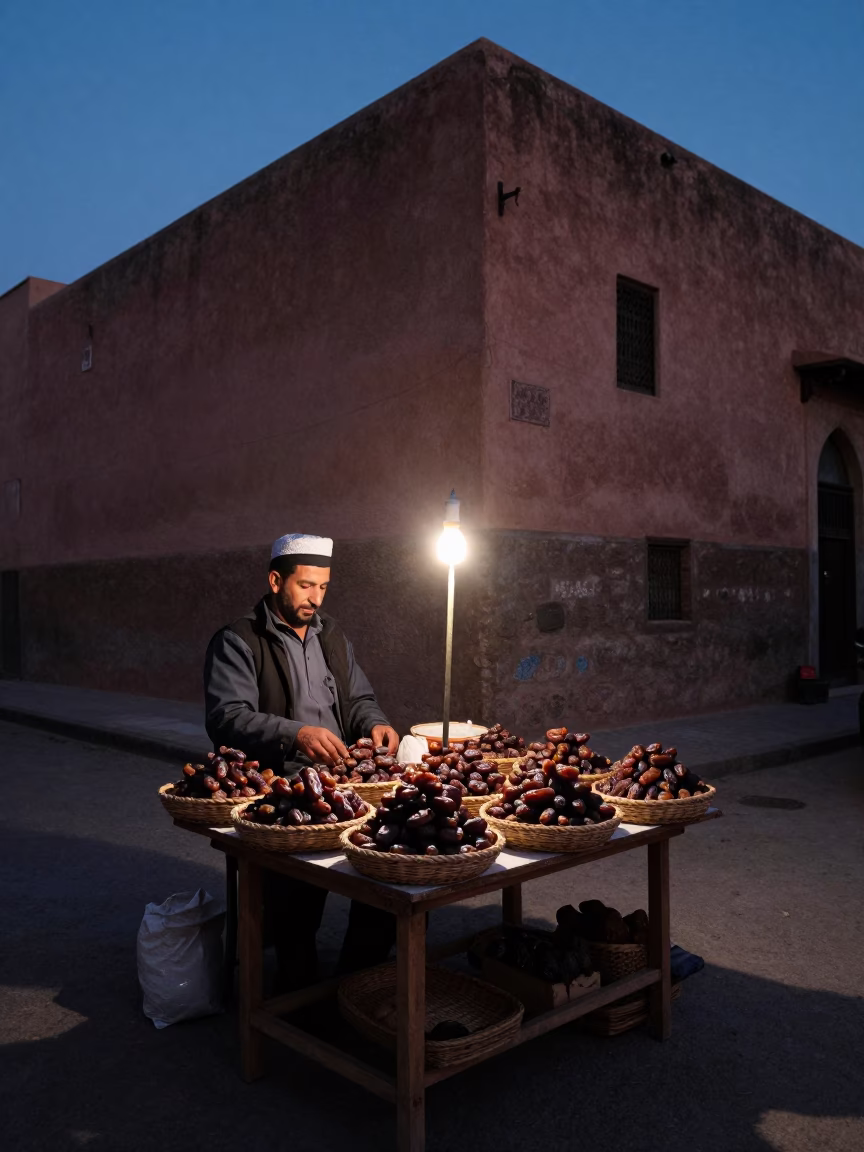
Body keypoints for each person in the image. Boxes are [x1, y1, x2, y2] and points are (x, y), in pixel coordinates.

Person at [204, 532, 400, 988]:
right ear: (276, 580)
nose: (315, 598)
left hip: (345, 780)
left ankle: (355, 985)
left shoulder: (331, 634)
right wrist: (297, 734)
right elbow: (227, 718)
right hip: (284, 784)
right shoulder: (238, 640)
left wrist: (375, 723)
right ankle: (298, 992)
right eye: (305, 586)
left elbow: (359, 699)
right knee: (296, 899)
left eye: (323, 587)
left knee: (385, 878)